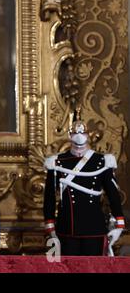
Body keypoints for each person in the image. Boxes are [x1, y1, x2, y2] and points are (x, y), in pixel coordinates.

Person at [44, 108, 125, 256]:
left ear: (88, 135)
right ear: (70, 135)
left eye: (82, 132)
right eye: (75, 133)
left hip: (94, 227)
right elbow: (49, 197)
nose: (79, 136)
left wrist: (119, 222)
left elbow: (113, 195)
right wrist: (50, 224)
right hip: (67, 228)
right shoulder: (57, 162)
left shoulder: (102, 161)